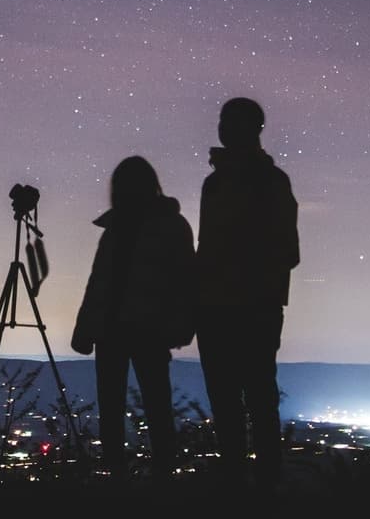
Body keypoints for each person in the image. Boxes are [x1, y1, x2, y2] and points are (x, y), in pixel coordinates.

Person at [195, 96, 299, 492]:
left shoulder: (269, 182)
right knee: (229, 402)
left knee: (255, 400)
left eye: (232, 122)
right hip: (223, 307)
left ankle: (262, 488)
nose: (224, 128)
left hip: (252, 306)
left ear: (254, 128)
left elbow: (287, 250)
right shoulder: (216, 183)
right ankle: (239, 486)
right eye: (223, 121)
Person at [70, 154, 197, 479]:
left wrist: (181, 324)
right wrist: (86, 327)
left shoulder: (157, 226)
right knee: (134, 404)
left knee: (147, 403)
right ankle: (131, 472)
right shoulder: (128, 228)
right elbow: (99, 281)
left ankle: (153, 472)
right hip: (123, 328)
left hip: (143, 328)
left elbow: (185, 280)